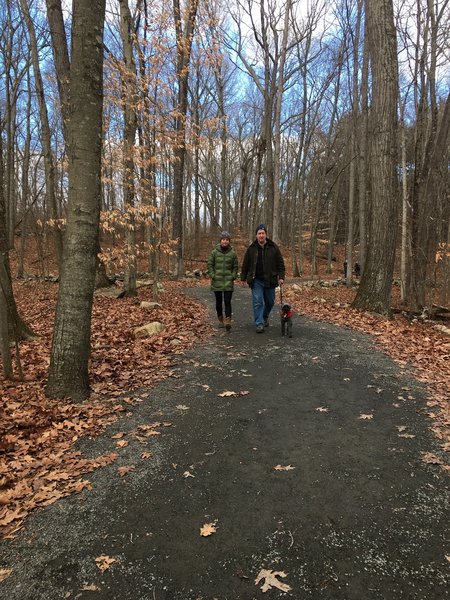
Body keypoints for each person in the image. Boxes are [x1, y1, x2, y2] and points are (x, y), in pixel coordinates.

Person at [240, 224, 285, 333]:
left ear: (266, 234)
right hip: (256, 280)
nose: (261, 235)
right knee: (258, 301)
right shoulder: (251, 248)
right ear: (256, 235)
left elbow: (280, 263)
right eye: (259, 233)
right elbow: (246, 264)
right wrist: (243, 278)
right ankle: (259, 323)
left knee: (270, 302)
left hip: (270, 279)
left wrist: (281, 277)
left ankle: (264, 317)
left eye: (263, 233)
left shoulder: (273, 247)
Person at [207, 231, 239, 331]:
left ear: (229, 241)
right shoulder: (214, 252)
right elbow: (210, 265)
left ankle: (228, 320)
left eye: (227, 240)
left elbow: (235, 266)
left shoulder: (233, 253)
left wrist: (233, 276)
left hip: (228, 281)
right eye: (223, 239)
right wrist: (213, 275)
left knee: (228, 301)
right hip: (217, 281)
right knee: (218, 302)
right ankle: (220, 319)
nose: (225, 241)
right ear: (220, 241)